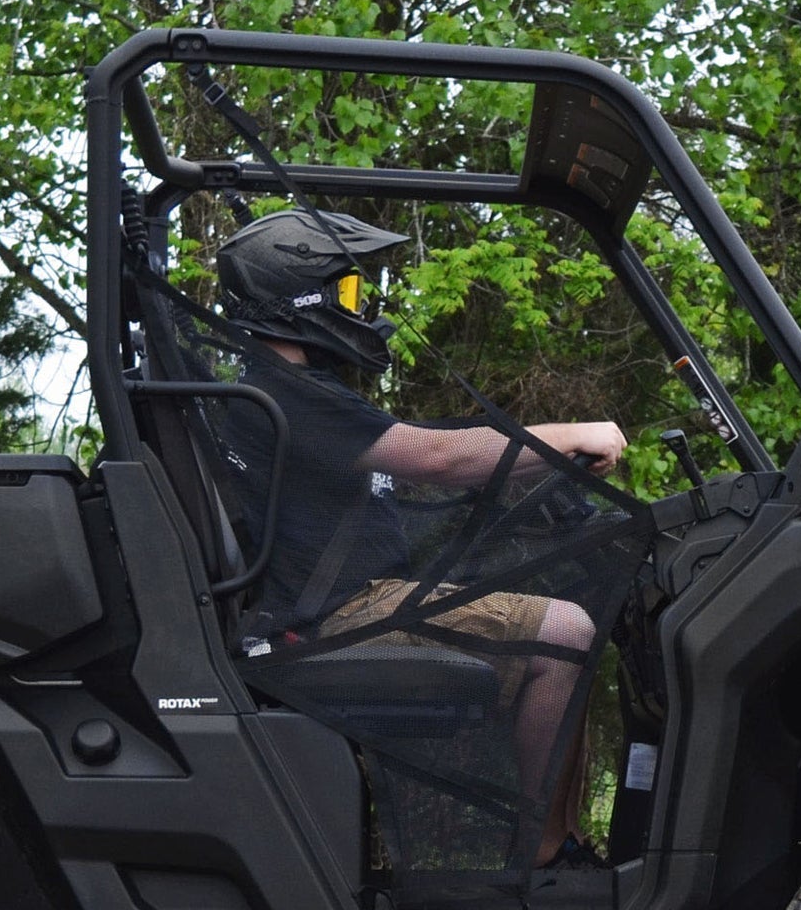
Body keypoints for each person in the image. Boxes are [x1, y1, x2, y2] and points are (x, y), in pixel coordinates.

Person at [214, 209, 627, 868]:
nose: (360, 306)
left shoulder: (284, 389)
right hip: (340, 616)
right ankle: (547, 855)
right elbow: (434, 456)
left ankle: (554, 844)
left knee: (555, 624)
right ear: (302, 298)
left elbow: (422, 458)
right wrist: (573, 434)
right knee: (566, 632)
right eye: (348, 290)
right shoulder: (288, 393)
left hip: (344, 605)